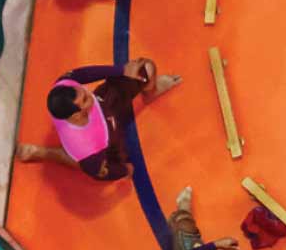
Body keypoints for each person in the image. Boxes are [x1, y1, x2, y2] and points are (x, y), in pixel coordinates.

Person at [16, 58, 180, 182]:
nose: (89, 94)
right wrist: (123, 171)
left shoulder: (62, 87)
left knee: (146, 68)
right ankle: (44, 153)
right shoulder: (87, 150)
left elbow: (85, 74)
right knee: (81, 161)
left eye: (83, 91)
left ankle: (151, 93)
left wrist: (122, 70)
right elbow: (99, 172)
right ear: (76, 115)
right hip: (109, 141)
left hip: (106, 103)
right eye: (85, 99)